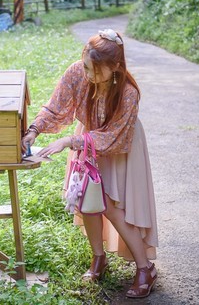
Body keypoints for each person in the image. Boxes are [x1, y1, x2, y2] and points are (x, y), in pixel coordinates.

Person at [22, 29, 159, 299]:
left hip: (121, 145)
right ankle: (99, 258)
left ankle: (146, 268)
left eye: (96, 72)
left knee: (113, 204)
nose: (88, 76)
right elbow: (55, 106)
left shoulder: (128, 93)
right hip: (86, 141)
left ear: (116, 68)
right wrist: (34, 129)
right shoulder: (77, 72)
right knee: (88, 200)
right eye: (86, 67)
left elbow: (114, 136)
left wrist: (69, 142)